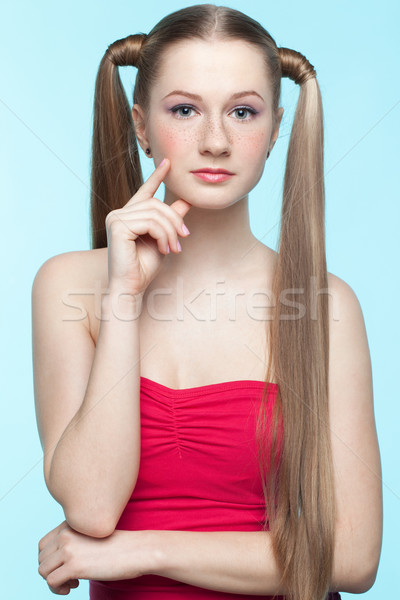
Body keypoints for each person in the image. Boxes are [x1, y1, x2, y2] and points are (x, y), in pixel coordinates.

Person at [32, 4, 382, 600]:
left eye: (242, 112)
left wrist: (146, 549)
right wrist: (123, 296)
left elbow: (352, 557)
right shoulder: (68, 287)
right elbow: (90, 508)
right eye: (185, 110)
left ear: (274, 130)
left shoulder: (327, 305)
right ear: (141, 126)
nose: (216, 141)